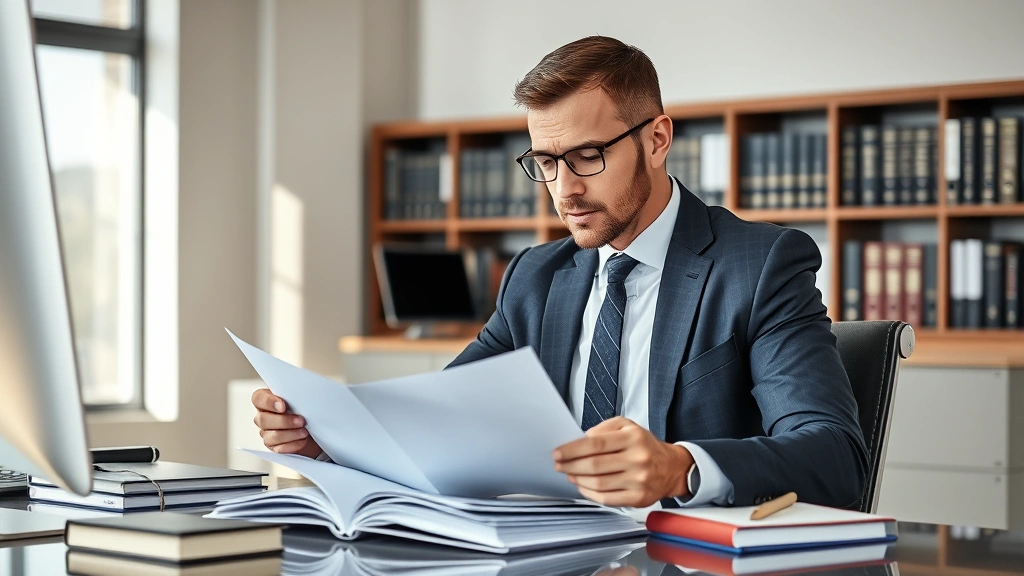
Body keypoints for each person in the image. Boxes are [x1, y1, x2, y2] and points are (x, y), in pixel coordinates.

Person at [252, 36, 868, 510]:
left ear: (656, 141)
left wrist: (681, 467)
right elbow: (438, 421)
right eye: (544, 162)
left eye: (587, 157)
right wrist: (327, 439)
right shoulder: (535, 278)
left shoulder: (759, 266)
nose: (564, 190)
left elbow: (834, 456)